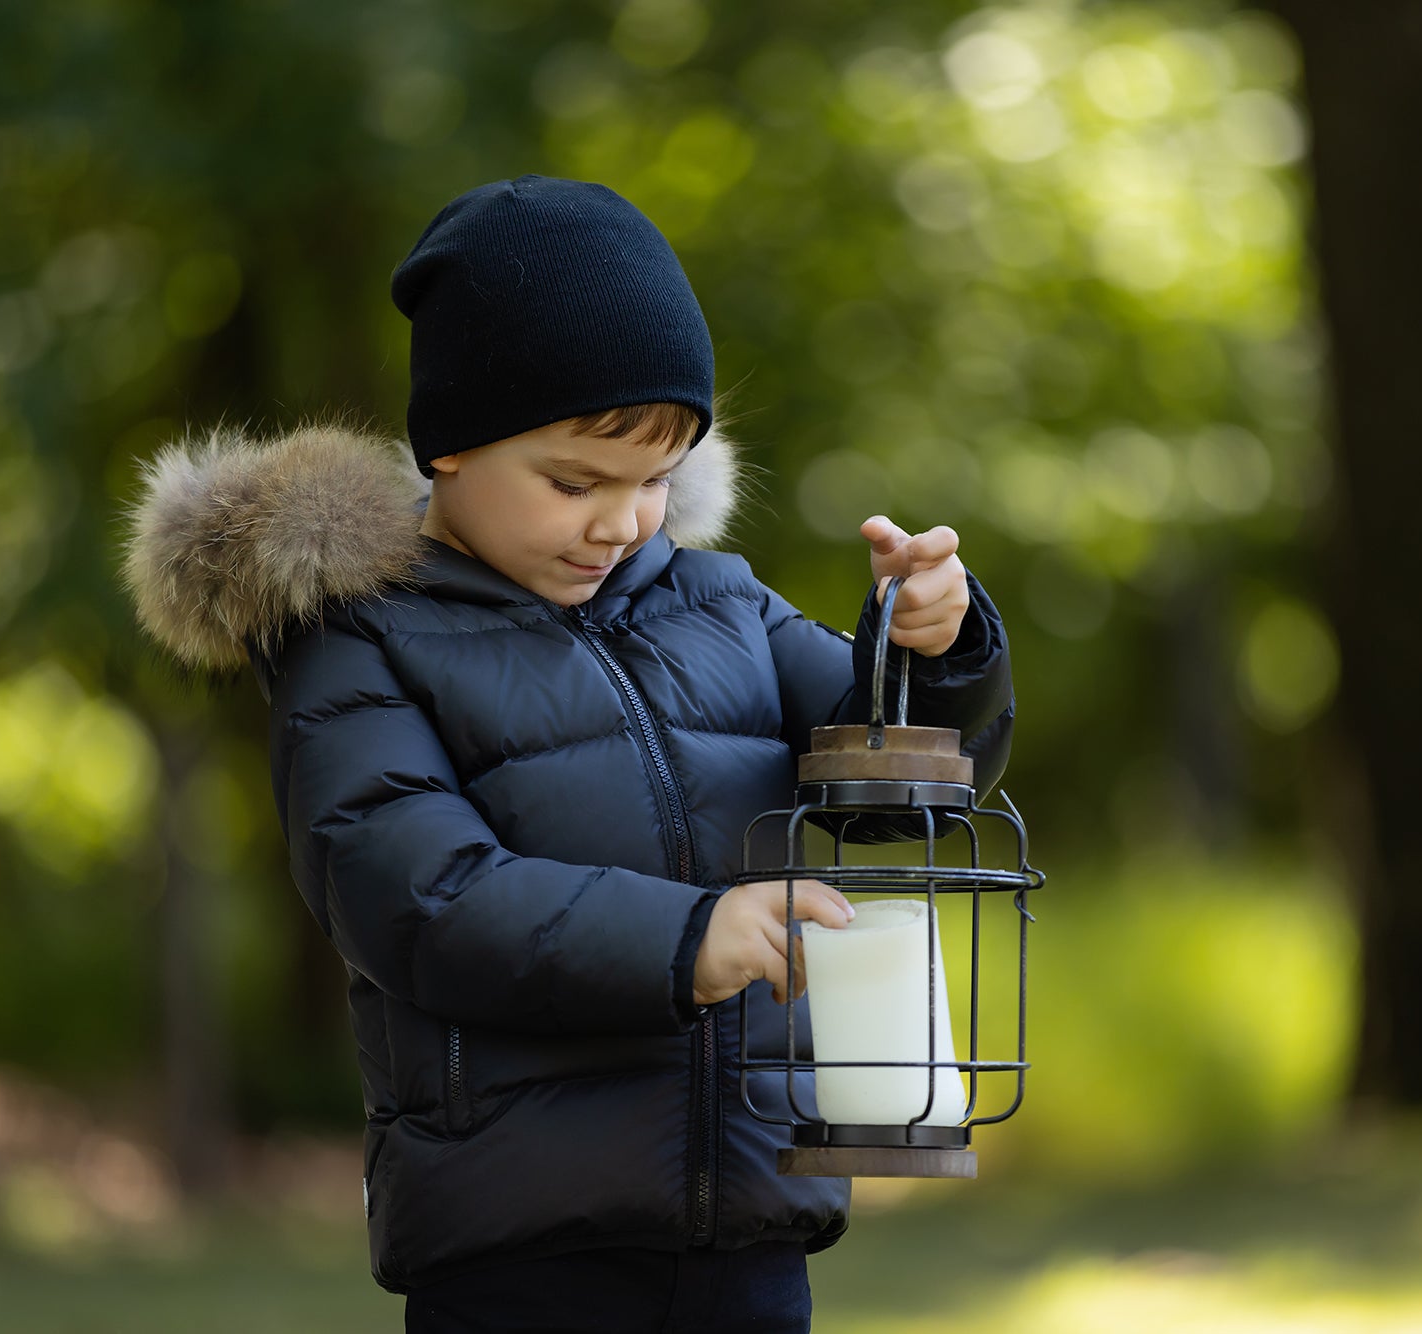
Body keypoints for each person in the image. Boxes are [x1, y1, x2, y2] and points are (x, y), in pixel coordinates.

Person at [123, 174, 1013, 1332]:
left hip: (749, 1239)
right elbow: (421, 901)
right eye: (573, 482)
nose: (622, 521)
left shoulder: (720, 601)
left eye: (655, 481)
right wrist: (687, 936)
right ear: (448, 449)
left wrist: (931, 643)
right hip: (523, 1262)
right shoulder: (358, 642)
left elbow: (901, 787)